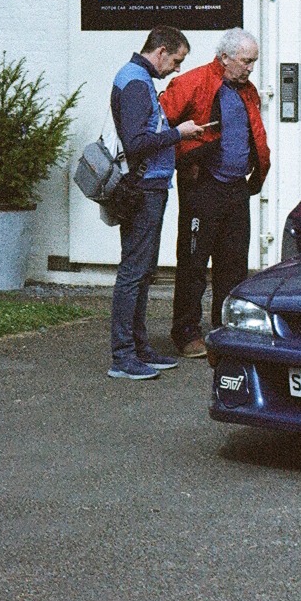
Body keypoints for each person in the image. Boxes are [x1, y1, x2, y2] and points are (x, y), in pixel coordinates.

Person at [159, 27, 271, 358]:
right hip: (202, 184)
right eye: (246, 61)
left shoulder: (248, 91)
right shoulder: (191, 82)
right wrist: (187, 156)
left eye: (254, 62)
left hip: (237, 186)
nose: (250, 68)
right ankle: (186, 331)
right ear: (224, 58)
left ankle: (226, 329)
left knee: (234, 263)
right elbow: (160, 127)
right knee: (194, 261)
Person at [108, 26, 207, 380]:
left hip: (150, 185)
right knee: (134, 272)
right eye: (177, 60)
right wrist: (178, 134)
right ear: (161, 51)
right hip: (145, 187)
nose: (177, 69)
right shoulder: (135, 81)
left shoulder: (135, 77)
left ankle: (138, 349)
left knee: (142, 271)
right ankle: (123, 356)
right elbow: (136, 143)